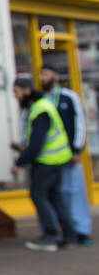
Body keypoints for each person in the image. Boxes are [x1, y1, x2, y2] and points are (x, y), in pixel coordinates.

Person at [12, 77, 77, 252]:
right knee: (56, 197)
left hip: (47, 160)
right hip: (56, 158)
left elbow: (37, 142)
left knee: (38, 194)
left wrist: (20, 162)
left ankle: (51, 234)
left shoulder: (39, 109)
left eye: (17, 92)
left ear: (27, 91)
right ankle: (69, 235)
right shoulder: (42, 105)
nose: (16, 97)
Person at [40, 67, 92, 247]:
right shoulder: (41, 99)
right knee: (53, 193)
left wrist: (77, 149)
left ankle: (81, 230)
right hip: (48, 157)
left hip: (69, 155)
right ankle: (54, 229)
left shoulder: (69, 97)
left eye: (45, 74)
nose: (42, 78)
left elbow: (79, 123)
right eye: (40, 74)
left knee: (74, 191)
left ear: (55, 76)